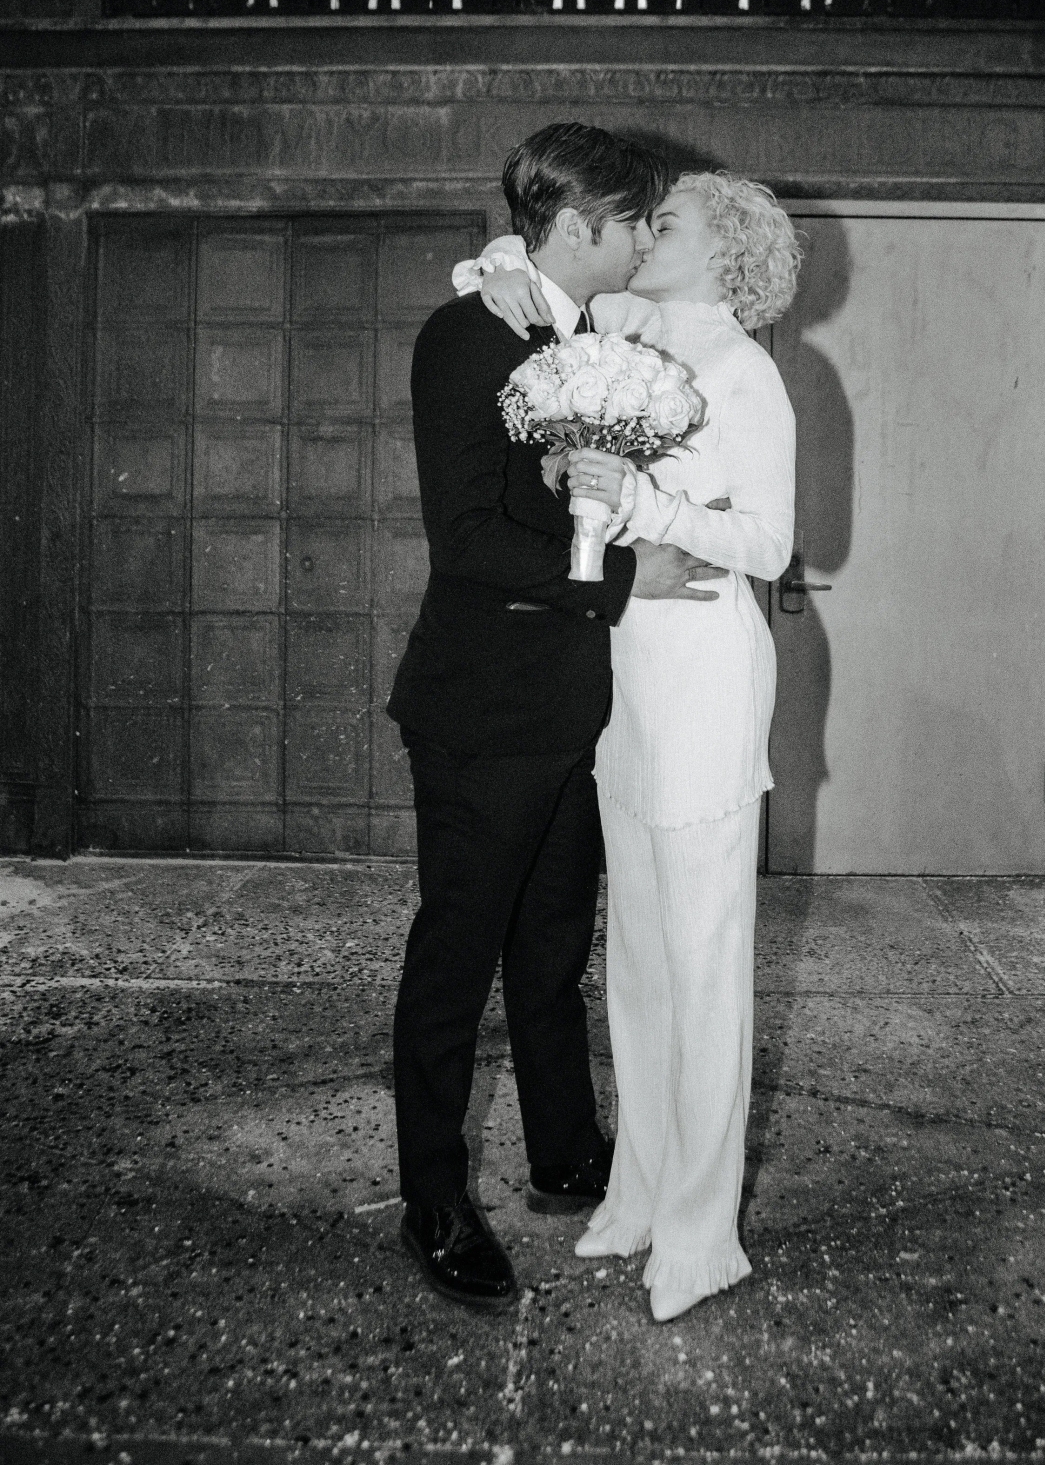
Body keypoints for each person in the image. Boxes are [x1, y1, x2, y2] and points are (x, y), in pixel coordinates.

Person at [387, 124, 727, 1312]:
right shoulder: (464, 338)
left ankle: (565, 1151)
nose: (643, 241)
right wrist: (631, 579)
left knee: (550, 952)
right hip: (481, 707)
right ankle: (432, 1196)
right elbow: (466, 540)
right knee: (457, 957)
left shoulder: (587, 340)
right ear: (579, 226)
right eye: (634, 222)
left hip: (571, 704)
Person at [454, 170, 800, 1320]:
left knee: (704, 969)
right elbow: (518, 279)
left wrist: (648, 510)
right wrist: (497, 267)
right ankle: (641, 1194)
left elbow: (769, 542)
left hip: (706, 684)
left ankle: (704, 1232)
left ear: (728, 251)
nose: (647, 233)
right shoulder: (620, 329)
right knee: (641, 968)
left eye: (670, 222)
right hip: (625, 688)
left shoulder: (746, 375)